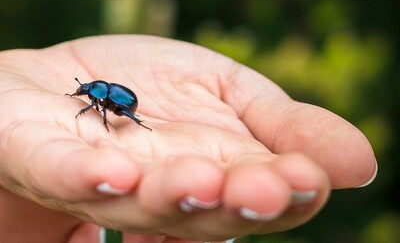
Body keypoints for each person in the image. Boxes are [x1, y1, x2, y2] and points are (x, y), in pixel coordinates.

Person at [0, 35, 377, 243]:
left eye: (87, 93)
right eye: (86, 94)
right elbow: (92, 100)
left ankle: (138, 123)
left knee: (116, 114)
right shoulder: (96, 92)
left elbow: (104, 107)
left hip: (127, 104)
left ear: (94, 91)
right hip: (121, 102)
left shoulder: (105, 98)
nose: (85, 96)